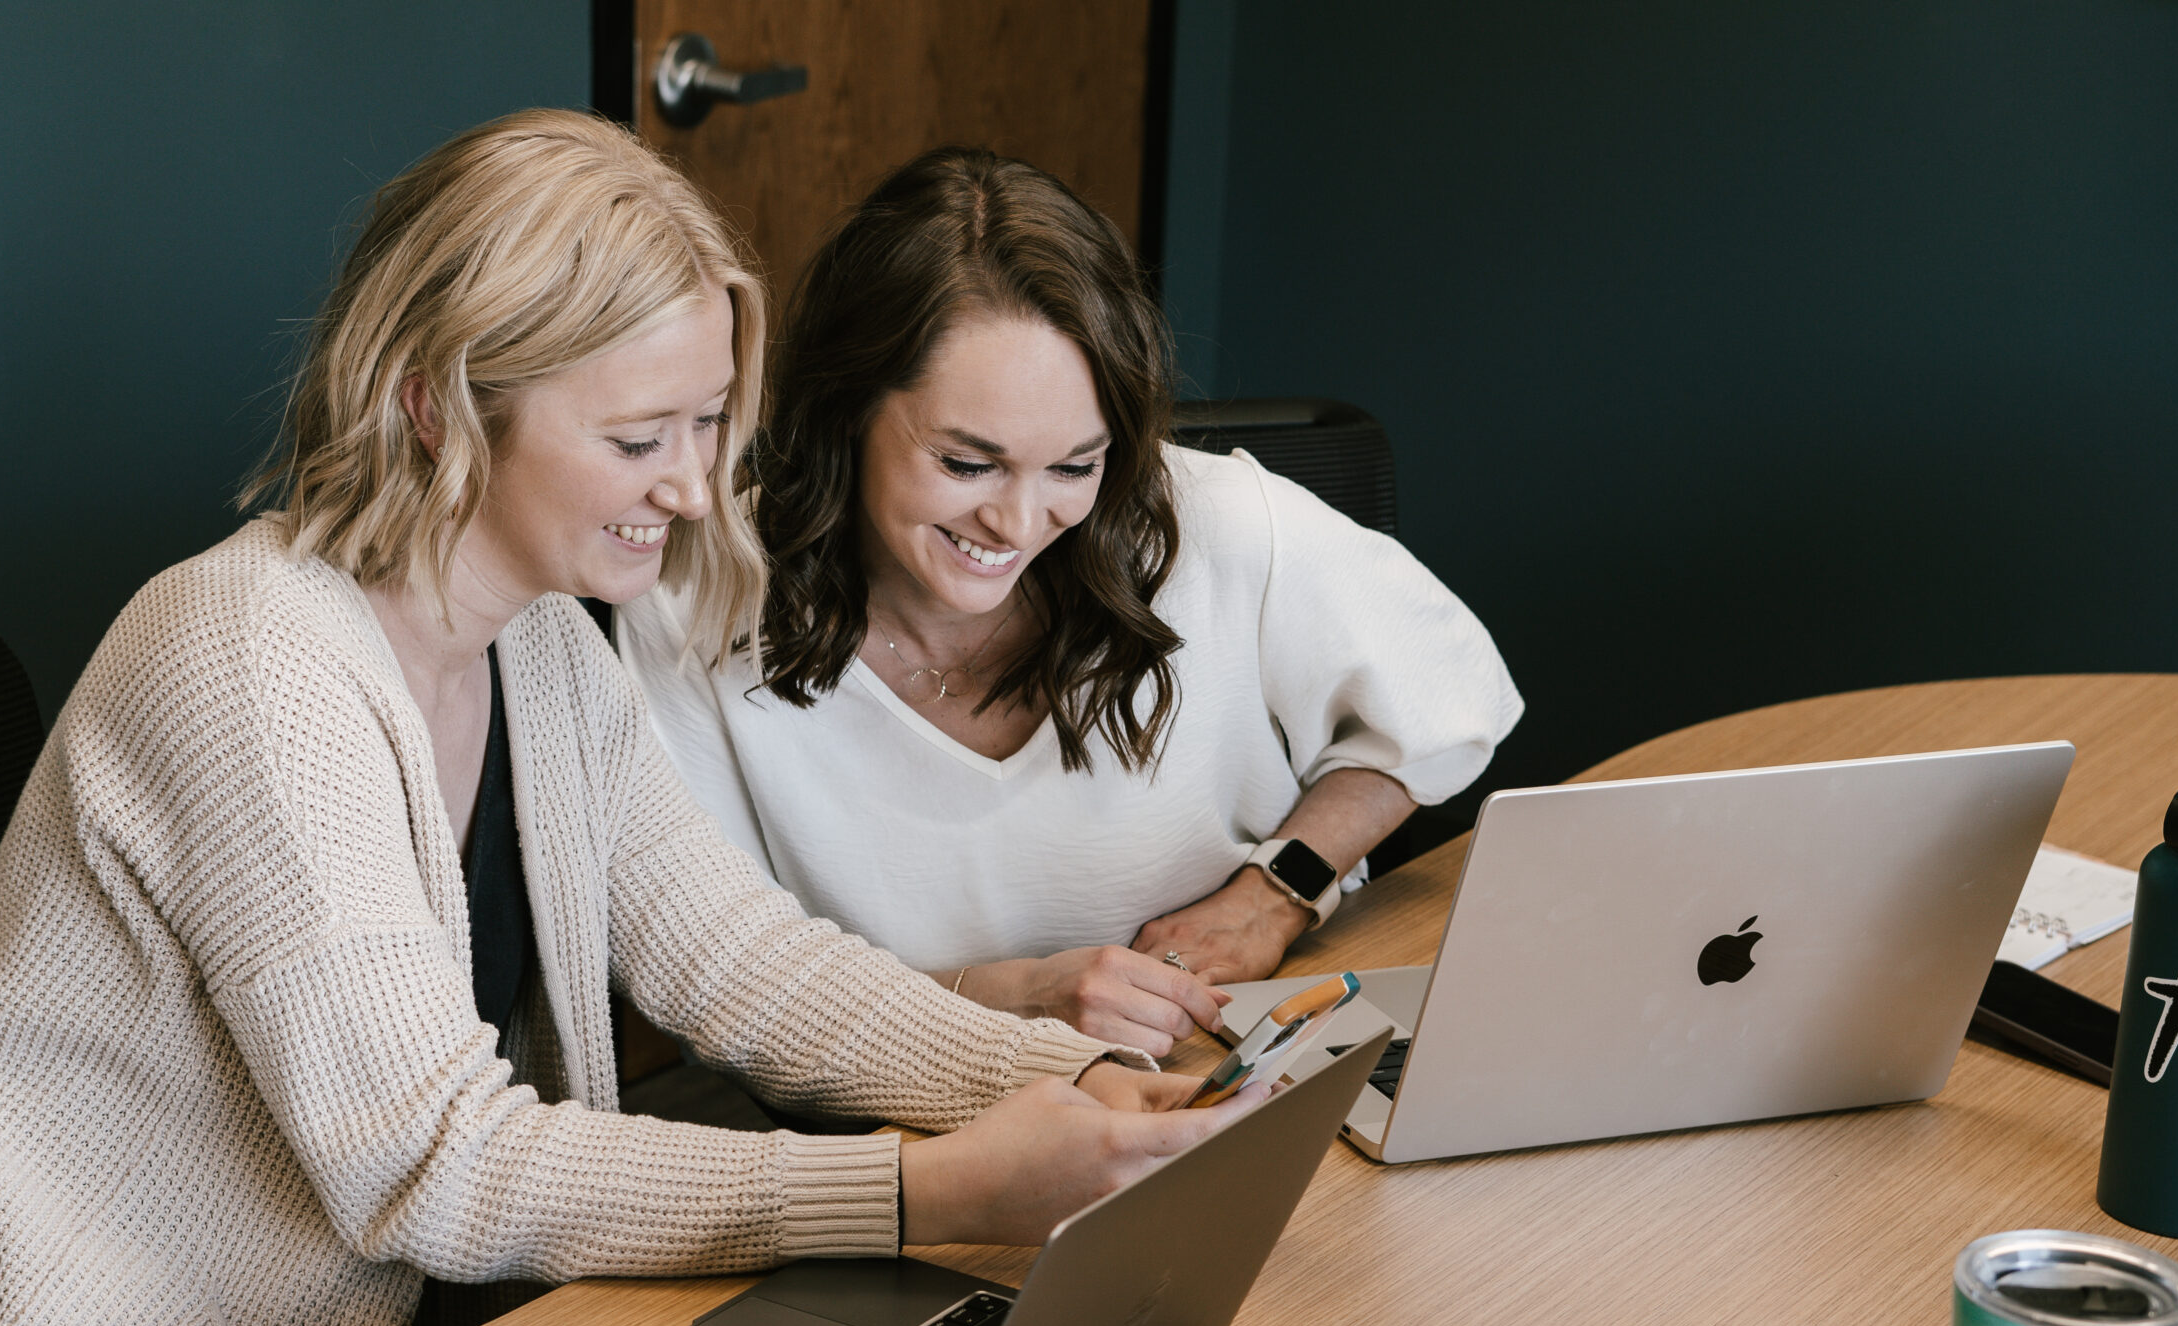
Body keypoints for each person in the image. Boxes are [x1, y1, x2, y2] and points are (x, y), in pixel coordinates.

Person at [0, 112, 1255, 1326]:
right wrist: (928, 1191)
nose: (692, 484)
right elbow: (432, 1162)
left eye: (710, 422)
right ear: (435, 402)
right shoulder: (249, 659)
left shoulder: (541, 646)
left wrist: (1040, 1084)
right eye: (637, 437)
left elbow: (738, 961)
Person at [620, 150, 1523, 1062]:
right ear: (845, 409)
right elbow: (731, 987)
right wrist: (1011, 1002)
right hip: (919, 1124)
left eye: (1073, 467)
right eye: (967, 463)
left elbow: (1454, 699)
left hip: (1243, 1062)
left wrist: (1275, 892)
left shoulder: (1217, 521)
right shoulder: (692, 599)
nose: (1015, 522)